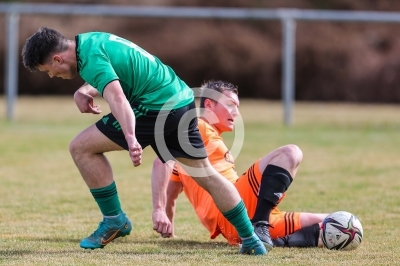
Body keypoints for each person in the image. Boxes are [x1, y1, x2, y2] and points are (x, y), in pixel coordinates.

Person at [21, 27, 267, 254]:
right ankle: (251, 240)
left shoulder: (90, 60)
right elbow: (118, 72)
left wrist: (131, 137)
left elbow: (117, 98)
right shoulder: (91, 41)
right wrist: (85, 90)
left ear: (57, 59)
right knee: (208, 176)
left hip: (157, 108)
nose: (52, 75)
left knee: (81, 148)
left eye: (48, 71)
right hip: (181, 101)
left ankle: (114, 220)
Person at [151, 80, 328, 248]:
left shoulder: (193, 153)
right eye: (230, 105)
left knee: (338, 222)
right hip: (236, 204)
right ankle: (260, 226)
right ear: (209, 105)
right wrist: (159, 211)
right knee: (290, 153)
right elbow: (161, 160)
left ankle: (275, 238)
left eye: (237, 107)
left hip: (238, 224)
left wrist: (168, 230)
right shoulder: (198, 127)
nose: (236, 112)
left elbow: (171, 193)